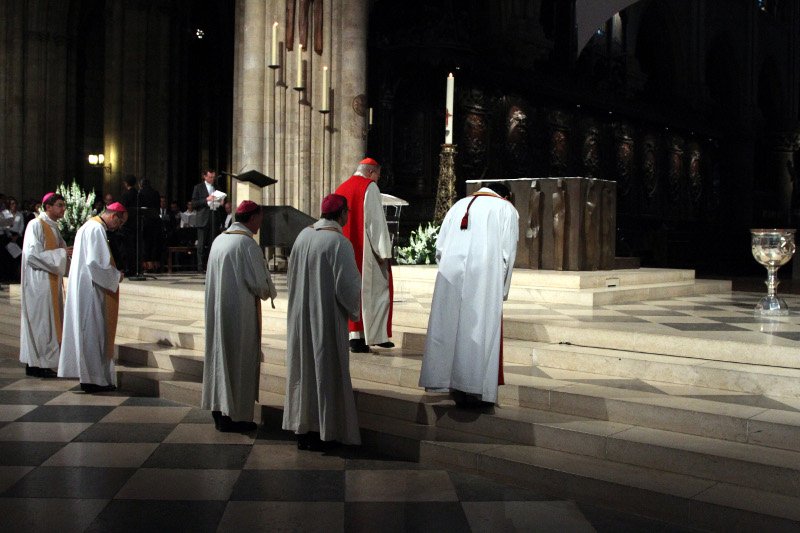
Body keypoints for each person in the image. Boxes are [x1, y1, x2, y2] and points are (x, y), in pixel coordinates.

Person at [418, 182, 519, 407]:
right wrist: (501, 289)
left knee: (450, 329)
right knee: (479, 330)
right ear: (507, 195)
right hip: (484, 279)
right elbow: (507, 254)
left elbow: (440, 249)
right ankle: (475, 390)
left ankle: (452, 384)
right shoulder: (506, 209)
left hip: (451, 277)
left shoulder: (458, 206)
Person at [283, 194, 362, 450]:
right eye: (347, 212)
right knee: (326, 373)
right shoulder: (339, 242)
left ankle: (303, 430)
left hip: (300, 317)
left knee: (303, 372)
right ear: (341, 214)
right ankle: (326, 434)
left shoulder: (303, 236)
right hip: (325, 319)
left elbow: (291, 274)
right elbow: (348, 288)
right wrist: (355, 310)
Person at [201, 200, 277, 432]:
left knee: (221, 359)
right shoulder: (247, 245)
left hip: (219, 312)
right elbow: (260, 286)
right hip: (240, 316)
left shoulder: (219, 240)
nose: (260, 224)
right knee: (240, 361)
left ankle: (220, 412)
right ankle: (237, 417)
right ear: (252, 218)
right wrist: (269, 288)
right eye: (260, 219)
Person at [58, 202, 128, 393]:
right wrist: (116, 276)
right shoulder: (97, 229)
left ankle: (91, 377)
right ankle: (94, 380)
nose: (118, 228)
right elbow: (96, 264)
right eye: (119, 223)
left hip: (85, 288)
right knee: (94, 334)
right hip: (93, 291)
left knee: (89, 333)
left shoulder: (87, 226)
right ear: (114, 216)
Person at [334, 157, 394, 353]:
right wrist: (383, 250)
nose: (377, 179)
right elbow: (375, 222)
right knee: (376, 292)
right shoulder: (369, 187)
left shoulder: (341, 187)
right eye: (377, 174)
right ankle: (374, 335)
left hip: (345, 249)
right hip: (366, 251)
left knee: (351, 291)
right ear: (371, 172)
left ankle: (355, 337)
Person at [19, 192, 68, 378]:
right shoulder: (35, 225)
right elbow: (32, 255)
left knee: (47, 323)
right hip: (39, 284)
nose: (63, 209)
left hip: (50, 282)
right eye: (60, 205)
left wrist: (65, 254)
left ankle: (39, 364)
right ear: (48, 207)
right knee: (42, 324)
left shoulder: (53, 227)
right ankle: (38, 363)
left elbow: (60, 252)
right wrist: (62, 253)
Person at [191, 169, 222, 272]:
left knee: (212, 243)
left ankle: (211, 266)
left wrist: (221, 201)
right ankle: (200, 266)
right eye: (210, 177)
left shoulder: (216, 187)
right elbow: (194, 203)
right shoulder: (198, 187)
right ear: (204, 176)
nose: (212, 179)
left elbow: (220, 201)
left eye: (213, 177)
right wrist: (206, 199)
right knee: (201, 244)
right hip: (203, 218)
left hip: (213, 217)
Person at [137, 178, 161, 272]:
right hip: (155, 221)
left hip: (145, 221)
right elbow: (158, 207)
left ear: (141, 185)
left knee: (145, 243)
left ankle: (147, 265)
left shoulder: (140, 193)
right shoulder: (155, 193)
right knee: (154, 243)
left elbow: (139, 208)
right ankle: (155, 265)